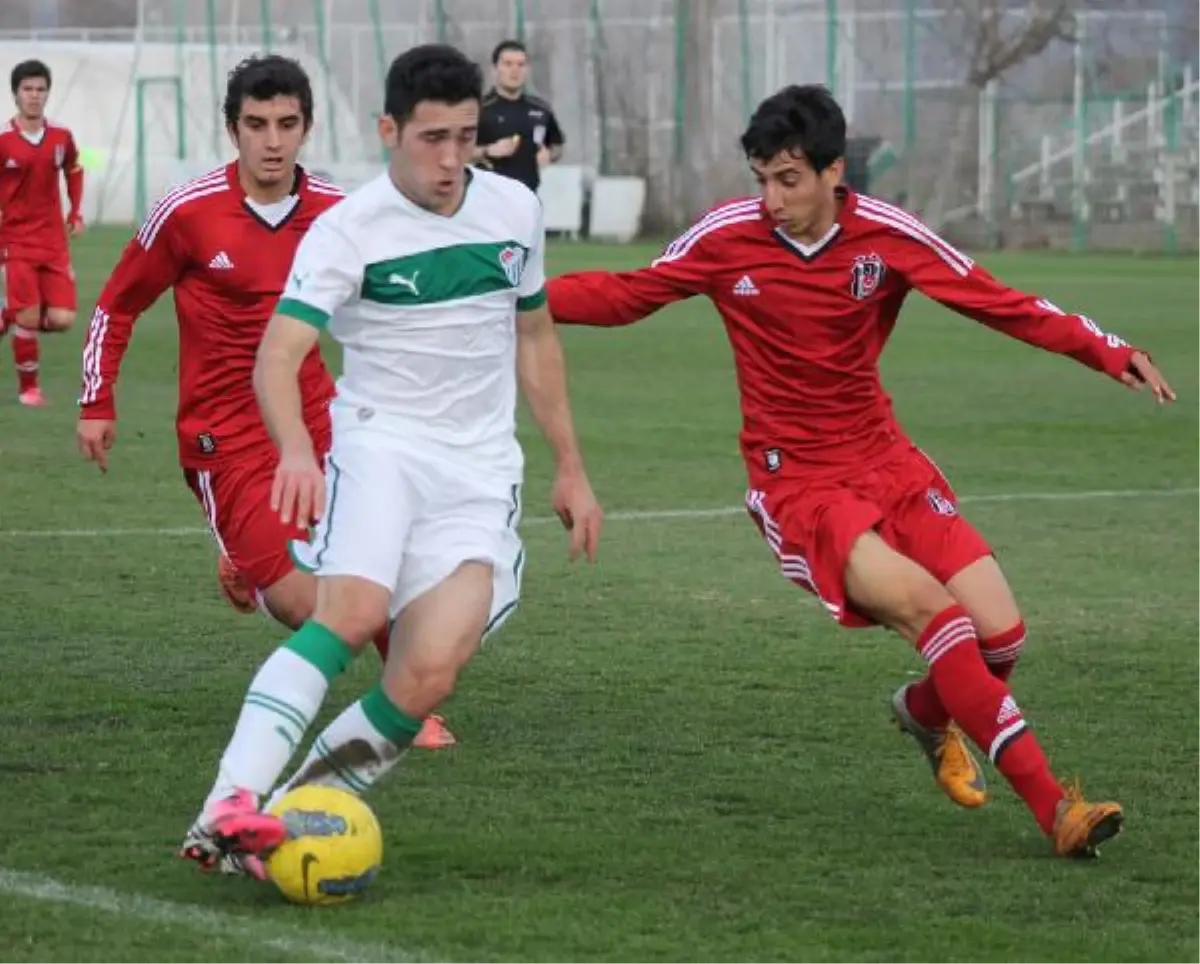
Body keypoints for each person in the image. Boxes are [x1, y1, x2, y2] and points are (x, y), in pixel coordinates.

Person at [546, 84, 1177, 859]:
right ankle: (1057, 811)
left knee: (1002, 636)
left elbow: (997, 301)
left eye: (788, 179)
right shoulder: (727, 237)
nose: (771, 199)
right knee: (936, 614)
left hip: (884, 459)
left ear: (833, 171)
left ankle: (924, 711)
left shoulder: (886, 237)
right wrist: (520, 296)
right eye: (762, 180)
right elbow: (626, 292)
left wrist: (1106, 349)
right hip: (798, 481)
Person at [177, 43, 603, 876]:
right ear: (389, 131)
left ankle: (286, 816)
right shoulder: (348, 230)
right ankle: (226, 803)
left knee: (428, 674)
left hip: (478, 471)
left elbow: (536, 336)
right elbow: (278, 353)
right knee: (353, 611)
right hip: (380, 444)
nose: (451, 160)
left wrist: (571, 465)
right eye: (431, 139)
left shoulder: (513, 211)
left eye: (466, 137)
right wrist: (296, 450)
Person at [75, 55, 455, 828]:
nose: (272, 142)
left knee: (385, 546)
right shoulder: (187, 214)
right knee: (300, 600)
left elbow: (407, 292)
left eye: (287, 125)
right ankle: (250, 548)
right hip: (227, 435)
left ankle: (403, 701)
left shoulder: (341, 212)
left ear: (306, 128)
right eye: (256, 126)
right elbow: (118, 305)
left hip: (318, 413)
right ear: (233, 130)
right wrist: (96, 399)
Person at [0, 59, 84, 406]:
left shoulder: (61, 135)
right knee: (31, 317)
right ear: (16, 94)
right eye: (28, 89)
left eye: (40, 89)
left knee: (63, 319)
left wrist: (75, 211)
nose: (34, 96)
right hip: (14, 240)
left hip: (52, 242)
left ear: (47, 93)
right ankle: (28, 389)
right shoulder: (3, 139)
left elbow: (75, 168)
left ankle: (8, 312)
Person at [474, 39, 564, 194]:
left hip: (528, 196)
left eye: (521, 65)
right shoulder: (479, 109)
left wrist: (549, 155)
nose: (515, 70)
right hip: (487, 197)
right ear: (495, 69)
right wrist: (487, 151)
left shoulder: (541, 109)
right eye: (508, 64)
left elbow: (557, 145)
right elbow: (459, 153)